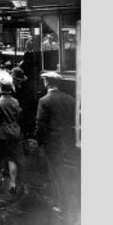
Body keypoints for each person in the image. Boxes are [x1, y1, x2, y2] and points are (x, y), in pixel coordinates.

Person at [35, 71, 76, 212]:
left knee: (56, 173)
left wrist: (39, 142)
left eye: (44, 80)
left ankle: (62, 205)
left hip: (53, 143)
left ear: (47, 82)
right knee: (66, 172)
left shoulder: (44, 101)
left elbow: (40, 125)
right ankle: (71, 201)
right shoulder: (70, 99)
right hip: (68, 141)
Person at [0, 78, 24, 194]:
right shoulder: (15, 101)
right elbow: (18, 115)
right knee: (12, 159)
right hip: (14, 133)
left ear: (0, 89)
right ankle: (13, 183)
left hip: (1, 134)